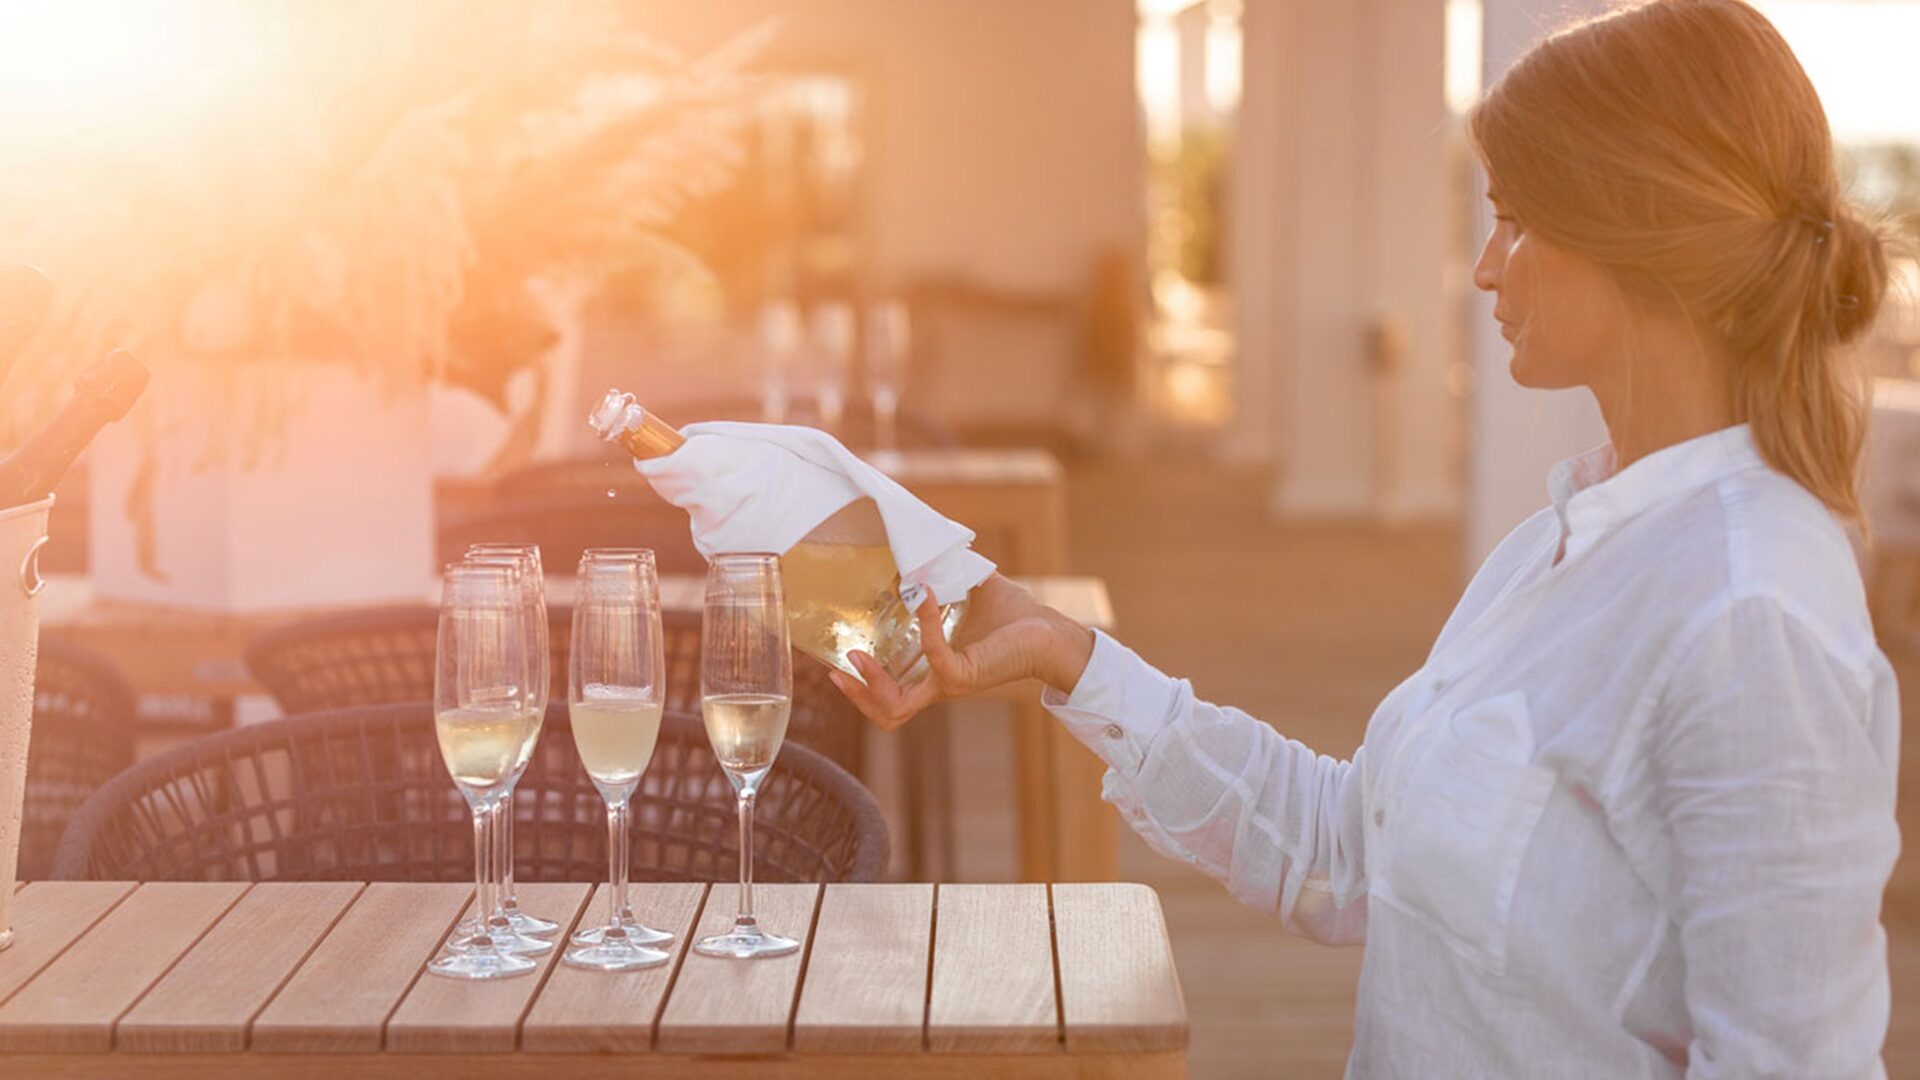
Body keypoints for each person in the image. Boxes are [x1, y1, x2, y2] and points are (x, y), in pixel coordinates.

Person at [828, 1, 1901, 1075]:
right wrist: (1069, 655)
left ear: (1635, 227)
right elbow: (1350, 848)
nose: (1484, 268)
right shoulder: (1561, 541)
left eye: (1513, 221)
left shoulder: (1751, 616)